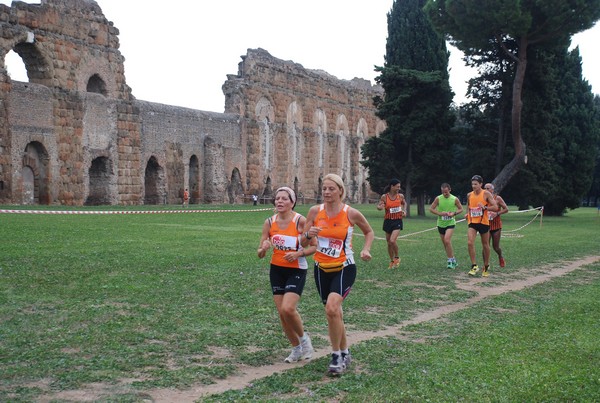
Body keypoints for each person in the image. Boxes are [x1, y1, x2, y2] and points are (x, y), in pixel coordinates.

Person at [301, 173, 374, 375]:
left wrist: (366, 249)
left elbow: (369, 231)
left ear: (341, 191)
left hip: (344, 266)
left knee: (332, 309)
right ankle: (345, 351)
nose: (326, 192)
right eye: (324, 188)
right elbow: (303, 242)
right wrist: (309, 234)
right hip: (321, 267)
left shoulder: (351, 213)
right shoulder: (315, 211)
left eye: (331, 189)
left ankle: (336, 356)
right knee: (335, 313)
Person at [257, 187, 316, 363]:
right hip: (276, 270)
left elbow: (313, 246)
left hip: (296, 269)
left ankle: (305, 341)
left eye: (284, 199)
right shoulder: (269, 222)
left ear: (292, 202)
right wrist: (264, 249)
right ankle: (295, 349)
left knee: (288, 309)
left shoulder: (300, 221)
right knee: (282, 314)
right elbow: (259, 253)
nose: (279, 202)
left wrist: (298, 254)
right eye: (277, 199)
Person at [466, 175, 498, 277]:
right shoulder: (469, 195)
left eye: (476, 184)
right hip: (472, 222)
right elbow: (468, 206)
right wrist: (467, 213)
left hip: (483, 222)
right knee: (470, 242)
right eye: (472, 184)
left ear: (481, 184)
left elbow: (495, 207)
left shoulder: (486, 193)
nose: (474, 186)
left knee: (485, 245)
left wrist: (484, 207)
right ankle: (474, 265)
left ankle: (486, 266)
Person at [429, 183, 463, 269]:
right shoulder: (438, 198)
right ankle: (453, 260)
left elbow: (461, 209)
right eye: (443, 192)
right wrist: (440, 213)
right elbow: (431, 209)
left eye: (446, 192)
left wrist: (454, 213)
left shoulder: (454, 199)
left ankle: (450, 261)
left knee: (447, 240)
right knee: (445, 243)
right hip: (441, 223)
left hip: (450, 223)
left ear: (450, 190)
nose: (445, 194)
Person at [376, 178, 407, 268]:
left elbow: (404, 203)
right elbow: (379, 206)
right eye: (397, 187)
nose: (399, 188)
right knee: (389, 243)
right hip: (388, 221)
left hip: (397, 220)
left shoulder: (400, 196)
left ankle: (397, 257)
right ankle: (392, 261)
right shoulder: (384, 197)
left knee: (392, 241)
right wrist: (380, 207)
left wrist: (404, 211)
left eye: (399, 187)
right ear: (392, 186)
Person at [484, 183, 508, 268]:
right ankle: (486, 264)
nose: (486, 190)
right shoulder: (483, 199)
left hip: (496, 226)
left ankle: (500, 257)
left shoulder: (497, 198)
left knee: (496, 247)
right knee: (485, 245)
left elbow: (506, 209)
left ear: (492, 190)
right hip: (486, 225)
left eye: (488, 188)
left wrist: (497, 213)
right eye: (485, 188)